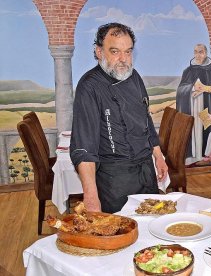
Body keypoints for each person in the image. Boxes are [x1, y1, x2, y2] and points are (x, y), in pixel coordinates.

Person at [70, 23, 168, 213]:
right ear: (99, 52)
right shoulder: (89, 86)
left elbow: (145, 120)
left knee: (151, 227)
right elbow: (84, 147)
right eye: (115, 51)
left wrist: (158, 156)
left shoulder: (134, 76)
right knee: (119, 234)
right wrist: (90, 196)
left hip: (146, 171)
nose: (123, 59)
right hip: (115, 179)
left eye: (128, 52)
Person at [176, 44, 211, 162]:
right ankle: (192, 156)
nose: (198, 55)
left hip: (206, 107)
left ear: (206, 53)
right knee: (193, 129)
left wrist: (205, 89)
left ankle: (204, 155)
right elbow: (180, 90)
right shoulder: (188, 71)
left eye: (200, 52)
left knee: (205, 127)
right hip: (191, 106)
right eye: (195, 52)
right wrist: (193, 88)